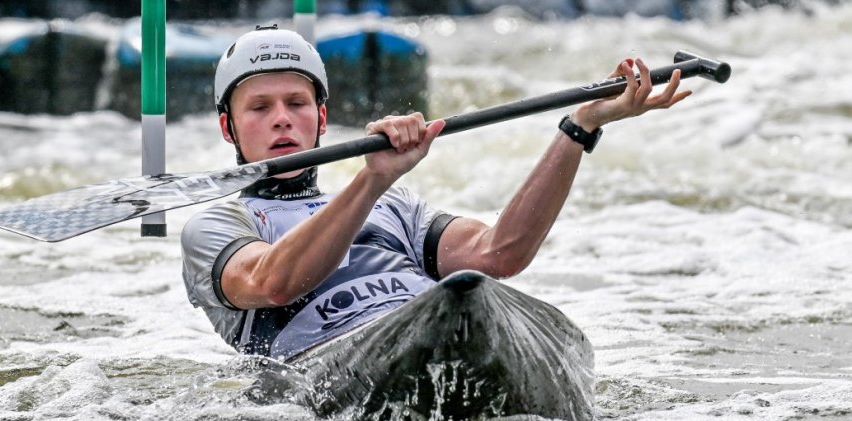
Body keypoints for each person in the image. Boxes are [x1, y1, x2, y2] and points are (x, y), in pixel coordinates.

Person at [181, 25, 691, 361]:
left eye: (296, 102)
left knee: (471, 287)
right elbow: (275, 283)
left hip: (432, 322)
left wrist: (580, 126)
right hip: (328, 359)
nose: (281, 119)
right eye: (259, 108)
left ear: (321, 118)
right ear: (229, 128)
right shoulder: (218, 226)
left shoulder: (394, 207)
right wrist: (373, 177)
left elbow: (499, 254)